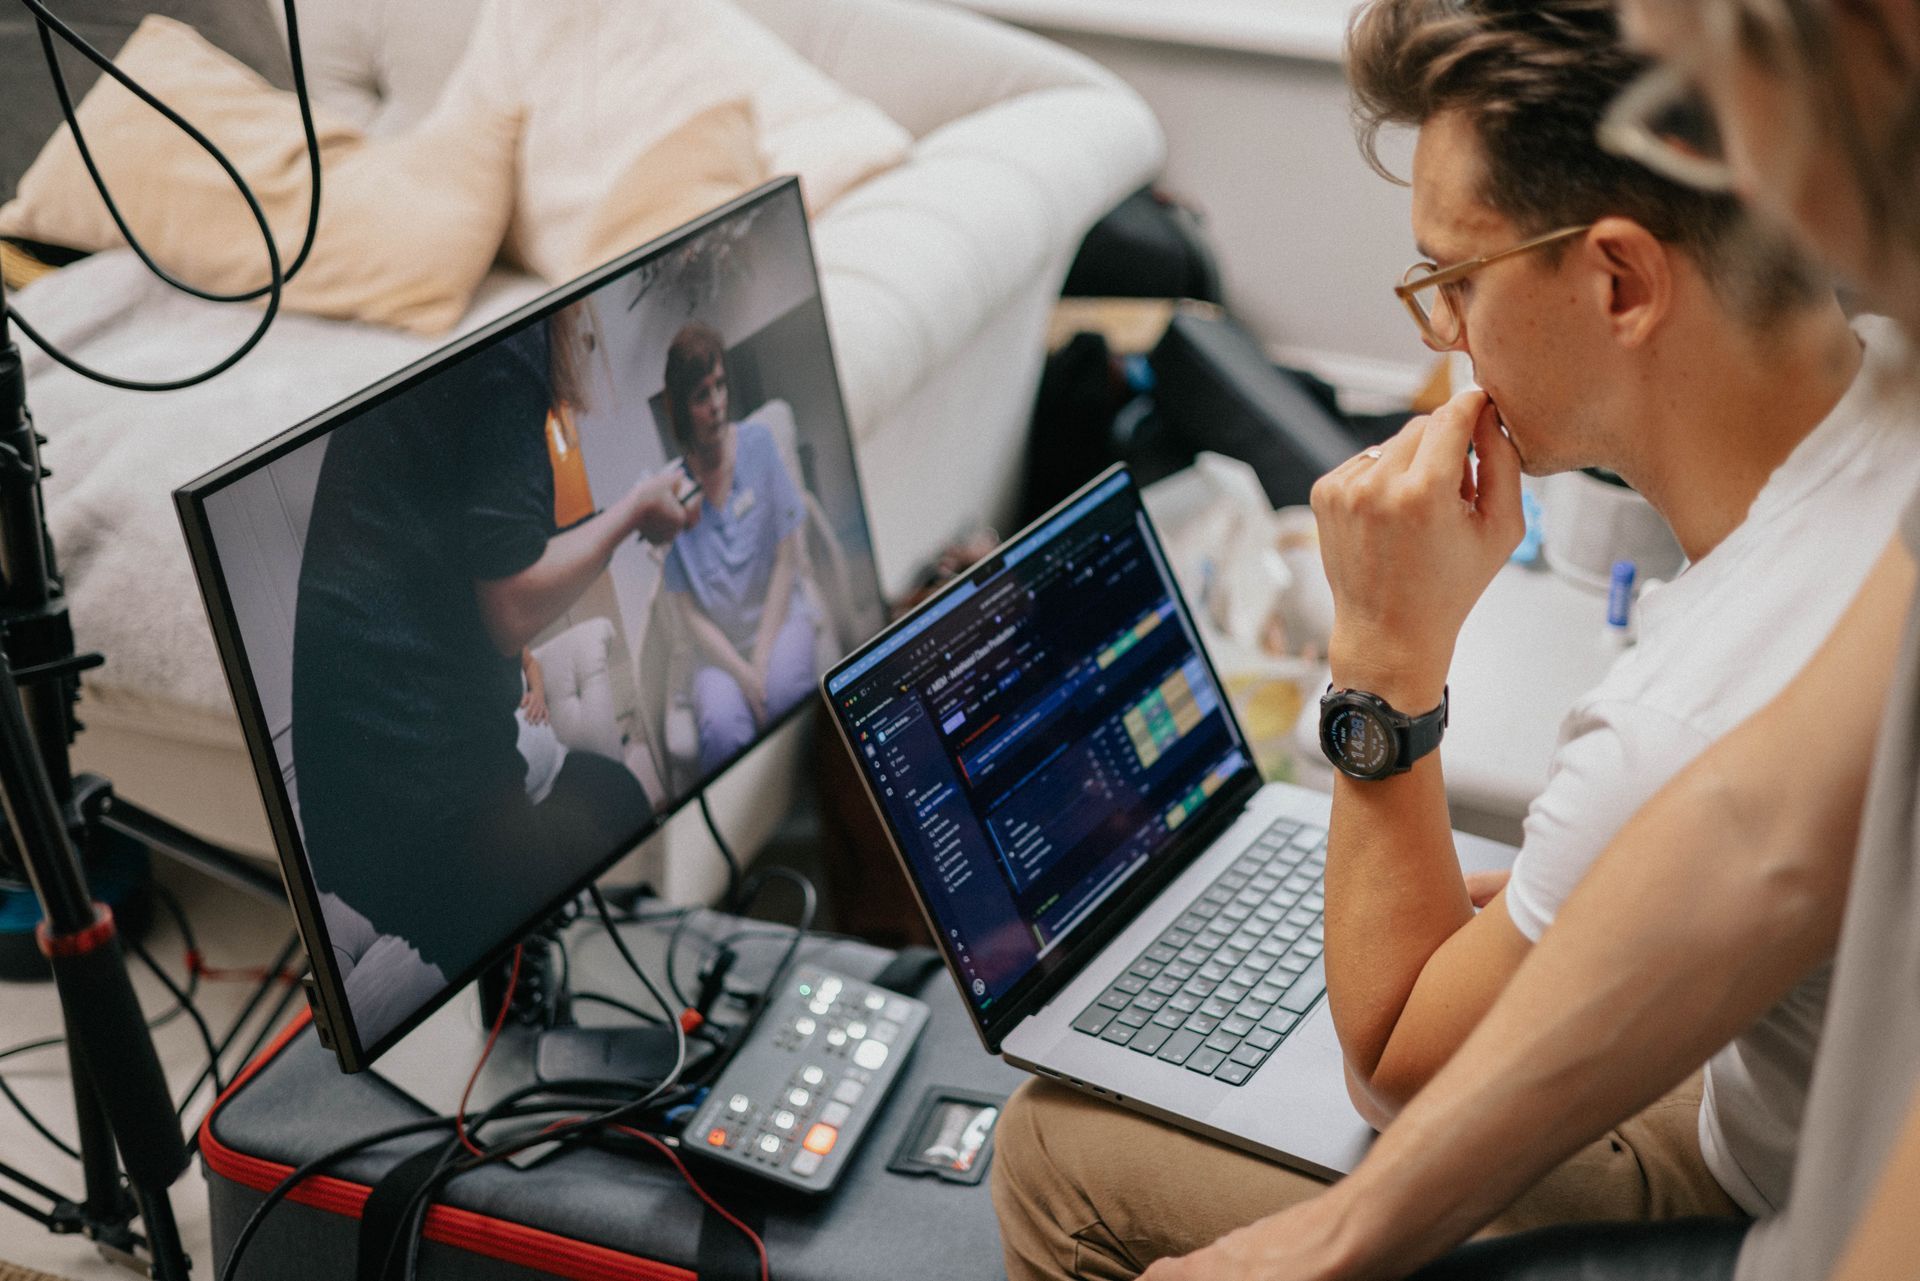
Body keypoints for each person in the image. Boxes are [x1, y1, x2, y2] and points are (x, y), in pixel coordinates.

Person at [989, 3, 1920, 1276]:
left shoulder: (1678, 722)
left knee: (1053, 1151)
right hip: (1787, 1096)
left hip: (1772, 1188)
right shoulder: (1889, 410)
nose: (1443, 340)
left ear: (1619, 280)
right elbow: (1763, 840)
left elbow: (1393, 1061)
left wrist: (1382, 652)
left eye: (1455, 283)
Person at [293, 312, 694, 1034]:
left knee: (608, 787)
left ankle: (519, 1003)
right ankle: (517, 1026)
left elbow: (467, 586)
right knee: (616, 809)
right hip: (416, 785)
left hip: (356, 784)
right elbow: (510, 607)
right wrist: (632, 510)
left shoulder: (453, 364)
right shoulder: (512, 349)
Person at [658, 321, 818, 773]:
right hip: (719, 654)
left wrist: (763, 658)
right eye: (701, 396)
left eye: (720, 386)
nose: (717, 405)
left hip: (779, 622)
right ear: (682, 410)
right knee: (723, 733)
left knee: (786, 694)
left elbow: (788, 558)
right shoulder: (671, 492)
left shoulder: (759, 445)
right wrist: (744, 675)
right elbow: (688, 612)